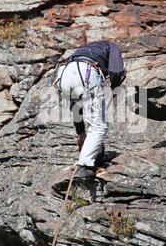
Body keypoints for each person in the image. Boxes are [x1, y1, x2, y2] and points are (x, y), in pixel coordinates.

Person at [54, 40, 126, 180]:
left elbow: (76, 106)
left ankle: (96, 155)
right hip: (86, 72)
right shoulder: (113, 46)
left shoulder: (82, 50)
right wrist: (114, 88)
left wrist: (80, 133)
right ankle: (86, 166)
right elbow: (116, 71)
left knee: (92, 122)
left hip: (64, 73)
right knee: (99, 126)